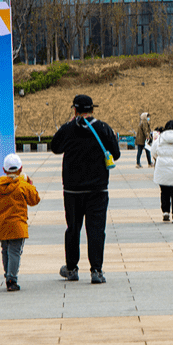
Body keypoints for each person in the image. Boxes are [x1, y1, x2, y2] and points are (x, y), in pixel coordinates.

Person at [50, 94, 121, 284]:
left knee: (73, 229)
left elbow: (55, 147)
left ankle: (71, 268)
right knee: (96, 230)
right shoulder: (103, 128)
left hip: (72, 191)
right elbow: (116, 153)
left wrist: (69, 125)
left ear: (74, 110)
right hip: (98, 190)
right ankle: (96, 271)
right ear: (92, 109)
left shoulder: (68, 128)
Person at [0, 153, 41, 292]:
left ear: (4, 170)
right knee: (15, 251)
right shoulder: (23, 185)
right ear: (20, 169)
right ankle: (12, 279)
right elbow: (35, 200)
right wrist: (31, 185)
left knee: (5, 250)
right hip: (18, 225)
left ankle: (8, 275)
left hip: (2, 224)